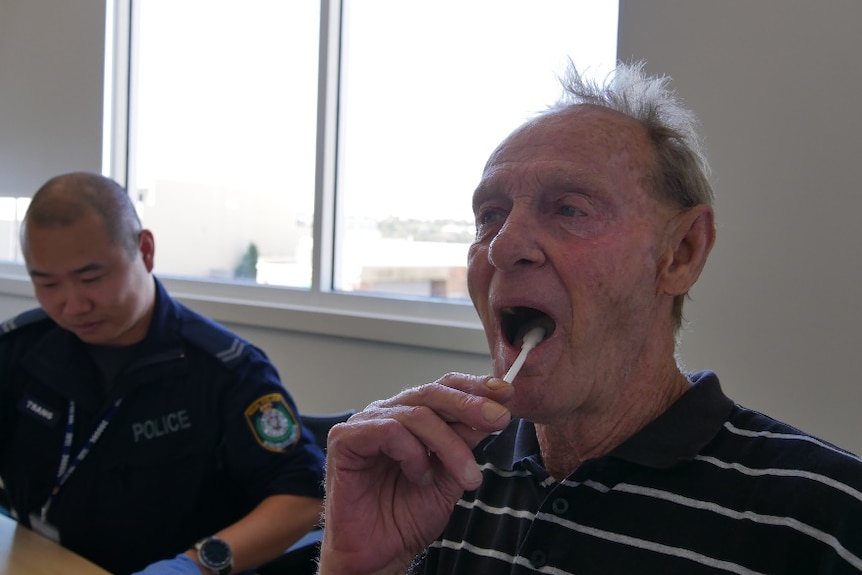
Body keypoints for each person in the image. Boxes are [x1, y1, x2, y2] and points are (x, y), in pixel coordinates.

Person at [315, 60, 862, 574]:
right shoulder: (436, 477)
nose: (503, 247)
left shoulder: (825, 518)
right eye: (489, 215)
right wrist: (358, 565)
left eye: (570, 209)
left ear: (682, 253)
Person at [0, 172, 326, 574]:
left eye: (91, 278)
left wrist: (196, 565)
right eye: (47, 283)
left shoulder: (226, 371)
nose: (72, 305)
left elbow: (304, 497)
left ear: (146, 251)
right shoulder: (19, 351)